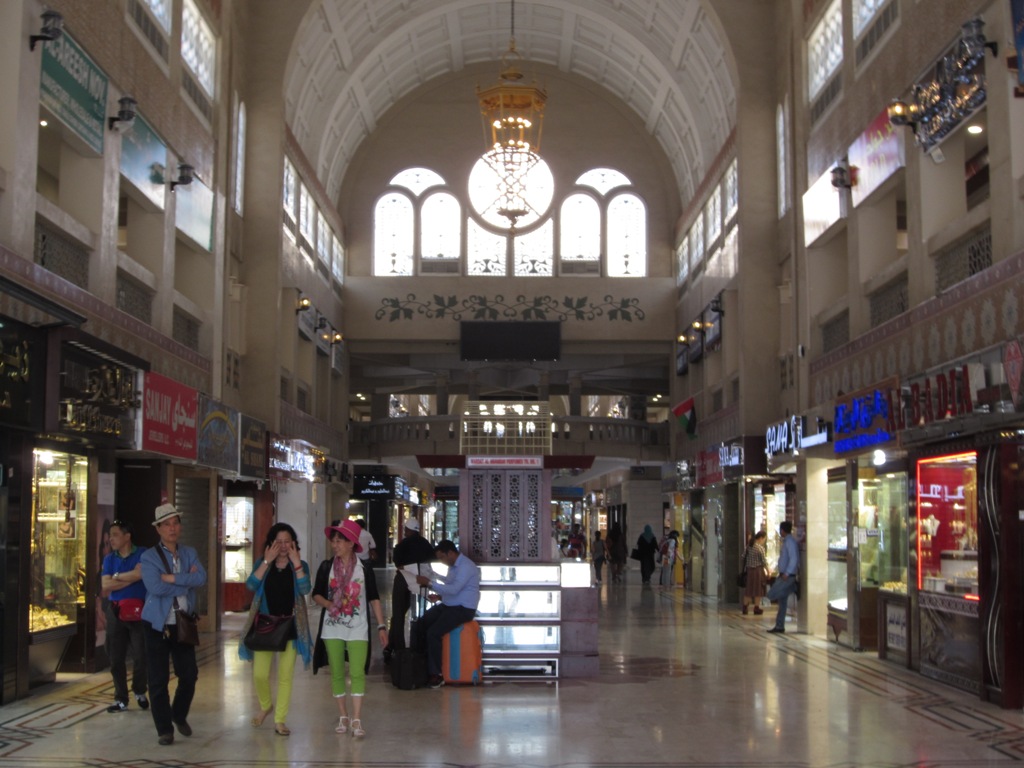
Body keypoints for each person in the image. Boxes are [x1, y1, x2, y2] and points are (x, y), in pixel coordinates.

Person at [312, 519, 387, 738]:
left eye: (340, 541)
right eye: (333, 541)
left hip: (358, 627)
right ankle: (343, 715)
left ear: (352, 543)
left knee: (357, 672)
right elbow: (316, 593)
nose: (335, 545)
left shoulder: (365, 569)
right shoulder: (326, 567)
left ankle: (356, 719)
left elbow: (373, 598)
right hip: (332, 627)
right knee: (336, 672)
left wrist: (382, 626)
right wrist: (329, 604)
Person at [140, 503, 207, 746]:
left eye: (175, 523)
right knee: (157, 680)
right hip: (156, 624)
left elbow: (201, 577)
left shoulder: (189, 552)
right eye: (166, 524)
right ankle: (164, 730)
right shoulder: (148, 557)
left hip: (183, 624)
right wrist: (184, 581)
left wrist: (171, 577)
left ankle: (178, 714)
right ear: (158, 529)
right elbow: (154, 587)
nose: (172, 528)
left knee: (189, 674)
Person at [240, 523, 312, 737]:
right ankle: (266, 705)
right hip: (265, 625)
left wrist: (298, 564)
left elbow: (305, 589)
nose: (283, 545)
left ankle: (280, 720)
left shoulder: (300, 565)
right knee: (260, 674)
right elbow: (251, 585)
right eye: (278, 541)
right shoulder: (263, 564)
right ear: (271, 543)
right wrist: (266, 561)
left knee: (285, 676)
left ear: (294, 543)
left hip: (290, 626)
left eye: (287, 541)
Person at [413, 540, 480, 689]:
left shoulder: (466, 567)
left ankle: (436, 675)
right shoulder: (453, 566)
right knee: (421, 624)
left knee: (433, 633)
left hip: (463, 609)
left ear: (450, 553)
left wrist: (430, 583)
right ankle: (419, 665)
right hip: (449, 604)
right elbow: (450, 584)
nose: (442, 561)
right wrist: (439, 593)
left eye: (442, 557)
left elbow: (454, 589)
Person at [101, 520, 148, 713]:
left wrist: (117, 578)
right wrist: (132, 576)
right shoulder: (109, 559)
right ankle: (120, 698)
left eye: (115, 534)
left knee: (142, 655)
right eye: (110, 535)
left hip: (140, 612)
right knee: (115, 656)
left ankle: (139, 689)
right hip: (115, 611)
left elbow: (143, 574)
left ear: (127, 536)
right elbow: (105, 585)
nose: (110, 539)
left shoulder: (143, 553)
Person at [386, 517, 435, 660]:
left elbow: (397, 562)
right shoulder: (425, 544)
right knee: (419, 612)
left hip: (403, 578)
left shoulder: (403, 545)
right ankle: (418, 646)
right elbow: (431, 560)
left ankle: (397, 648)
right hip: (421, 580)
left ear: (407, 530)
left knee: (398, 613)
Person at [767, 521, 800, 634]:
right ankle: (780, 625)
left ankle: (793, 587)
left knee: (771, 594)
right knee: (782, 602)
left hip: (787, 576)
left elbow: (794, 558)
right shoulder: (786, 541)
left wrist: (787, 572)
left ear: (782, 530)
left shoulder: (790, 542)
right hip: (784, 574)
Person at [741, 530, 769, 616]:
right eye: (764, 539)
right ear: (761, 538)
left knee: (748, 589)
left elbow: (743, 556)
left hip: (749, 570)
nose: (763, 541)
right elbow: (764, 561)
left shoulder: (749, 546)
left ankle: (745, 607)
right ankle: (756, 607)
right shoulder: (760, 548)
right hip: (757, 571)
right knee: (758, 589)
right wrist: (767, 571)